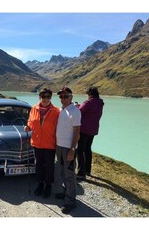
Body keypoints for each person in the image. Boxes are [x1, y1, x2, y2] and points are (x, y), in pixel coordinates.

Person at [24, 88, 60, 198]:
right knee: (39, 164)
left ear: (51, 98)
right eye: (44, 97)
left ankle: (48, 185)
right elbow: (30, 121)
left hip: (50, 143)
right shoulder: (34, 108)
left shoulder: (56, 111)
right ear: (40, 97)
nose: (46, 99)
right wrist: (28, 127)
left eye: (48, 97)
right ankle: (40, 184)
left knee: (49, 166)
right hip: (37, 143)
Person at [55, 86, 81, 214]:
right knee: (62, 172)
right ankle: (66, 193)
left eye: (66, 96)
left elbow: (77, 132)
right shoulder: (61, 110)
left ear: (71, 97)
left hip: (68, 148)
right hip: (59, 146)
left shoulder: (75, 111)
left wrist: (72, 149)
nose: (63, 99)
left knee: (69, 175)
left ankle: (71, 202)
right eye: (61, 96)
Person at [76, 87, 104, 180]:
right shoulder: (100, 103)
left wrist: (77, 106)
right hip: (93, 130)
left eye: (88, 94)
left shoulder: (88, 102)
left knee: (80, 150)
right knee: (88, 149)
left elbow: (79, 111)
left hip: (84, 129)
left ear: (90, 94)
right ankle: (88, 170)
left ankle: (81, 173)